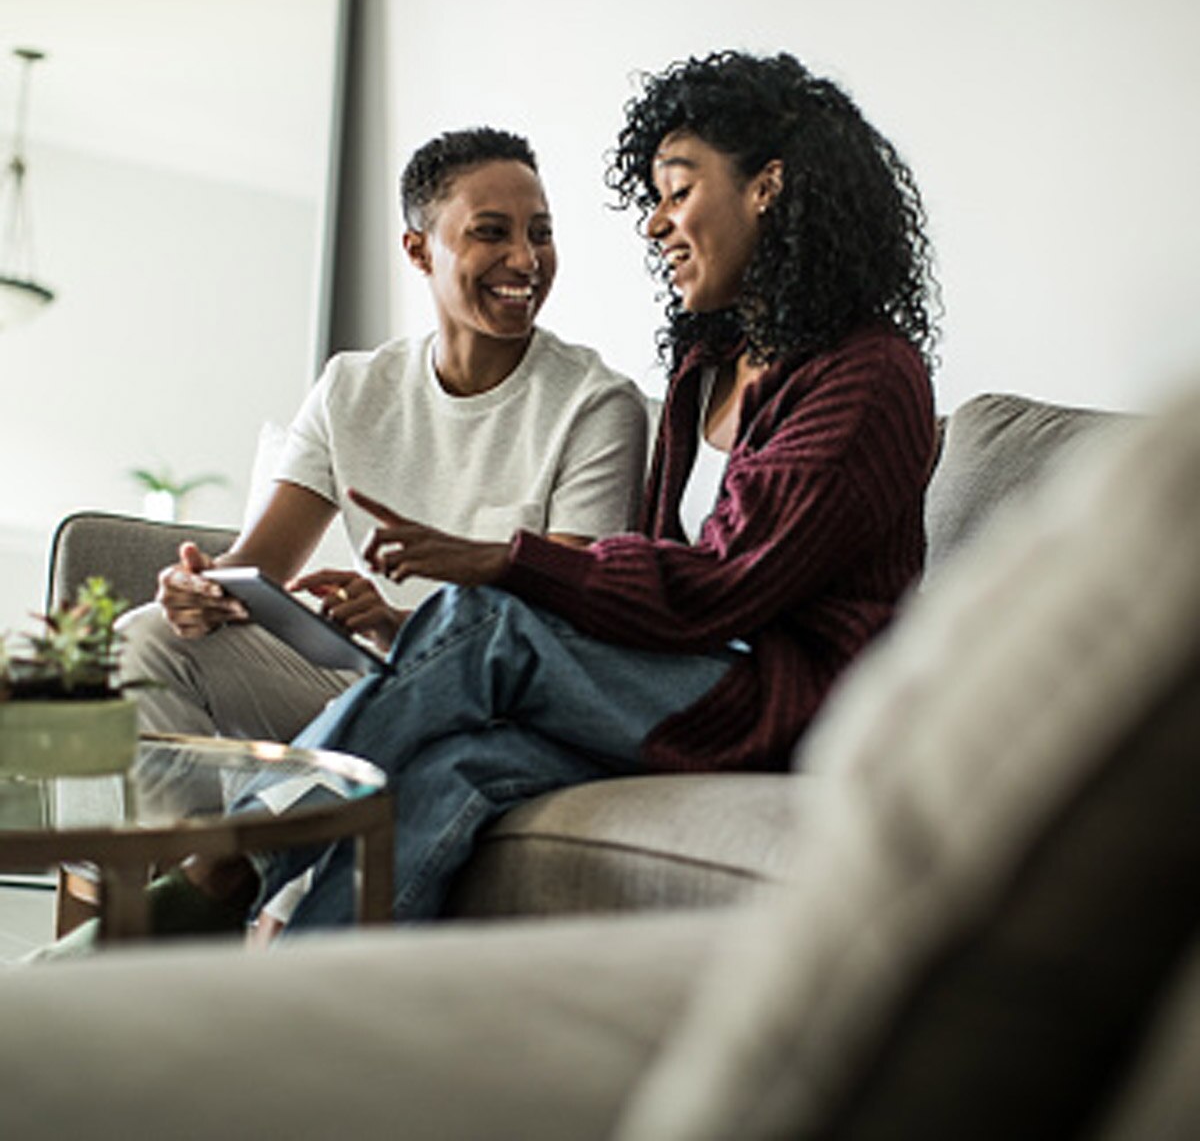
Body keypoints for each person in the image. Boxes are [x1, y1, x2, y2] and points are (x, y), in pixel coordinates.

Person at [59, 49, 940, 943]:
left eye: (678, 192)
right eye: (654, 200)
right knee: (451, 768)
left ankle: (229, 860)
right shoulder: (705, 367)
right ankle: (286, 999)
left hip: (787, 710)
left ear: (768, 188)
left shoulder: (868, 378)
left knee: (489, 617)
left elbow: (721, 583)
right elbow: (660, 579)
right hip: (681, 685)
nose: (655, 225)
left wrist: (504, 562)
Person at [119, 126, 649, 745]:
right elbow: (258, 565)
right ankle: (196, 841)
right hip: (363, 675)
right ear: (420, 251)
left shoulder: (598, 405)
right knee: (146, 637)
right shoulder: (352, 387)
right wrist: (202, 588)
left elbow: (560, 625)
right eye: (491, 231)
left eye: (540, 233)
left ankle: (238, 842)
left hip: (493, 696)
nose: (527, 260)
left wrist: (400, 626)